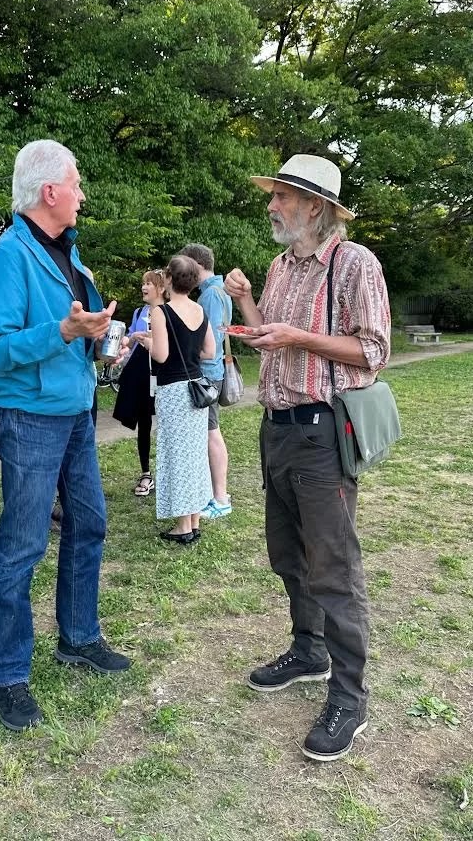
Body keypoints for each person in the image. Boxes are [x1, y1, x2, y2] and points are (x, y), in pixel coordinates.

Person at [224, 154, 391, 762]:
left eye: (282, 198)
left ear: (314, 207)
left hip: (324, 435)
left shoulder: (355, 264)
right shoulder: (280, 264)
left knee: (335, 569)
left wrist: (297, 336)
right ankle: (308, 651)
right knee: (288, 555)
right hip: (277, 429)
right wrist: (248, 307)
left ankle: (350, 697)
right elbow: (273, 334)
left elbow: (371, 351)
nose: (271, 205)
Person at [0, 138, 131, 733]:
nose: (82, 194)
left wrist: (98, 336)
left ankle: (79, 638)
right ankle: (9, 673)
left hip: (75, 411)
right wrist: (62, 331)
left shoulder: (74, 256)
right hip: (31, 417)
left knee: (89, 522)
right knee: (23, 543)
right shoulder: (8, 257)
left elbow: (80, 333)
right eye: (76, 183)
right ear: (50, 192)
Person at [146, 254, 215, 543]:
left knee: (176, 455)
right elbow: (209, 351)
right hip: (196, 388)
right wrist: (187, 351)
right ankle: (194, 520)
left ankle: (183, 527)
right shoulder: (199, 310)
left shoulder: (161, 312)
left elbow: (160, 355)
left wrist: (147, 341)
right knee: (195, 455)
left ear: (169, 280)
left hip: (173, 390)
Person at [180, 243, 233, 518]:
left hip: (207, 373)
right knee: (210, 432)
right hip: (214, 371)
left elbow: (207, 340)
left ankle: (220, 498)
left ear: (196, 265)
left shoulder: (210, 295)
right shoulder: (219, 290)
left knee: (211, 433)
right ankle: (216, 494)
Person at [112, 269, 166, 496]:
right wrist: (127, 341)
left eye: (149, 283)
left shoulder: (169, 312)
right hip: (140, 375)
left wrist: (150, 340)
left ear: (161, 288)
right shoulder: (139, 312)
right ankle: (146, 474)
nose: (144, 287)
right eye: (143, 283)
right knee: (143, 423)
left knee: (166, 424)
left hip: (163, 374)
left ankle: (169, 474)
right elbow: (130, 340)